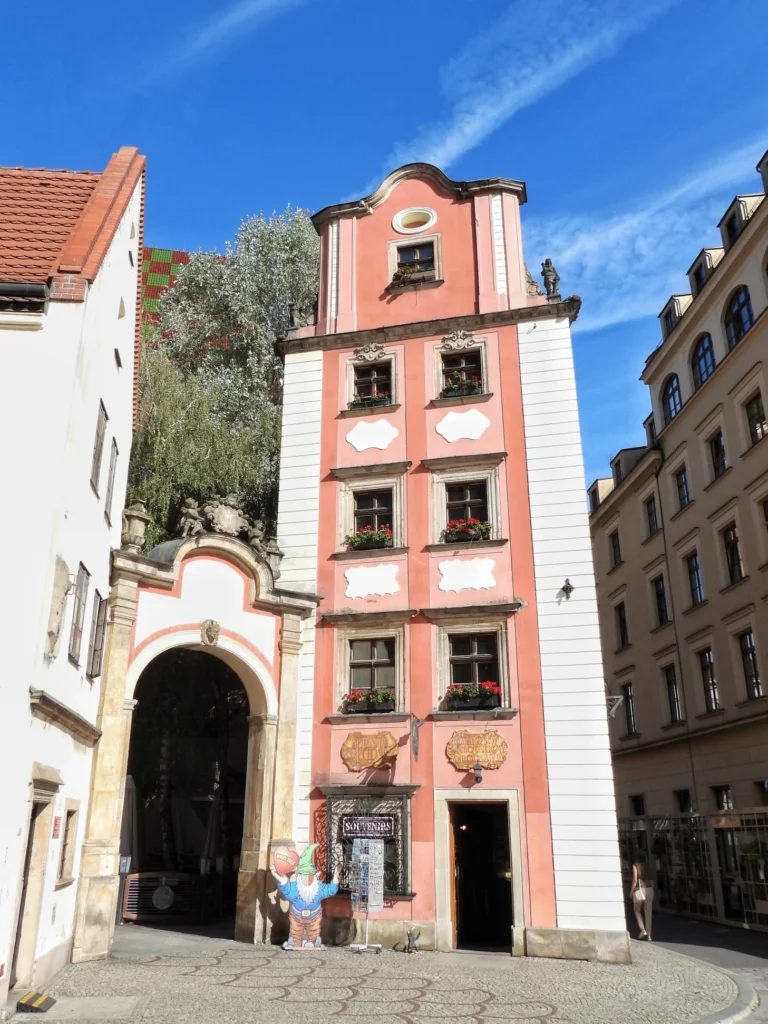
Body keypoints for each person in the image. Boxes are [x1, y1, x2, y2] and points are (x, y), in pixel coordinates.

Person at [269, 843, 339, 949]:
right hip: (297, 915)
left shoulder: (318, 888)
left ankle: (314, 941)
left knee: (314, 930)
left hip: (314, 915)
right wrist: (278, 876)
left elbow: (330, 890)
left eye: (309, 875)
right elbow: (287, 888)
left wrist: (335, 879)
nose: (307, 879)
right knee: (296, 931)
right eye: (304, 875)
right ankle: (295, 941)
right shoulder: (296, 888)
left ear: (315, 876)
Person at [630, 849, 653, 940]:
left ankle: (642, 930)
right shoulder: (648, 866)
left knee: (637, 910)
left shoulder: (635, 866)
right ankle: (649, 935)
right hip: (649, 889)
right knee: (648, 912)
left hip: (640, 889)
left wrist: (631, 892)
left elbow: (635, 880)